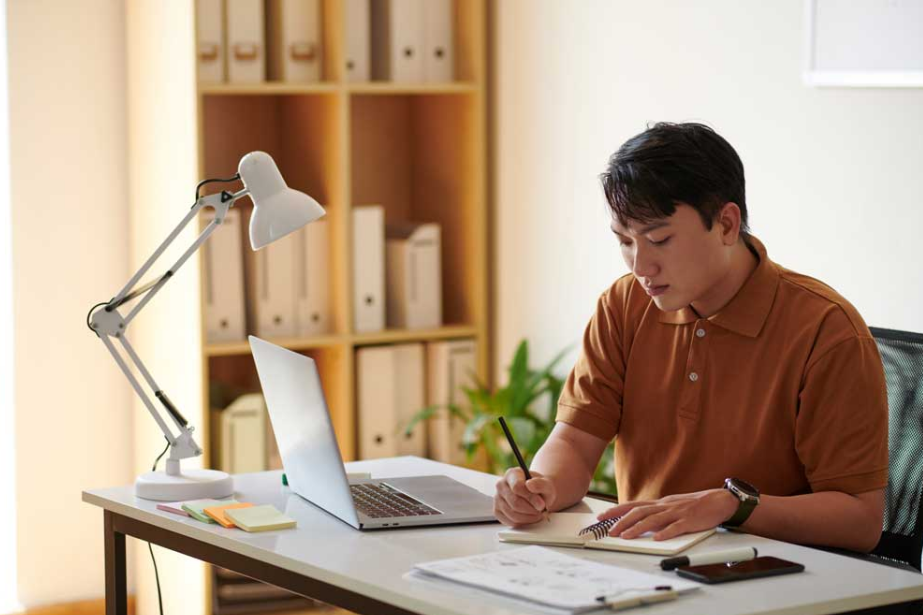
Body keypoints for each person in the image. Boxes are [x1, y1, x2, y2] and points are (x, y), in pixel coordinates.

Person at [493, 122, 888, 553]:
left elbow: (859, 521)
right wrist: (542, 488)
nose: (640, 266)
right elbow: (574, 440)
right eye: (624, 241)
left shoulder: (826, 331)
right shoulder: (623, 306)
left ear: (726, 224)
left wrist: (731, 506)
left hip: (767, 575)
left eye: (659, 239)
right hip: (643, 565)